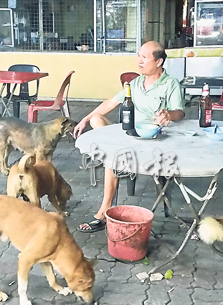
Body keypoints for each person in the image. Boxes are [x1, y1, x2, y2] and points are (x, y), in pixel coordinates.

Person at [72, 41, 185, 232]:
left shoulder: (170, 84)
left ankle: (103, 211)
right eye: (138, 56)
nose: (139, 61)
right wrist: (84, 119)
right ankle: (114, 160)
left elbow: (179, 113)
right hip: (129, 134)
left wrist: (168, 114)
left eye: (144, 57)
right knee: (96, 120)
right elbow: (110, 103)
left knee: (111, 157)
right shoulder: (135, 82)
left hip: (154, 139)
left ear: (158, 62)